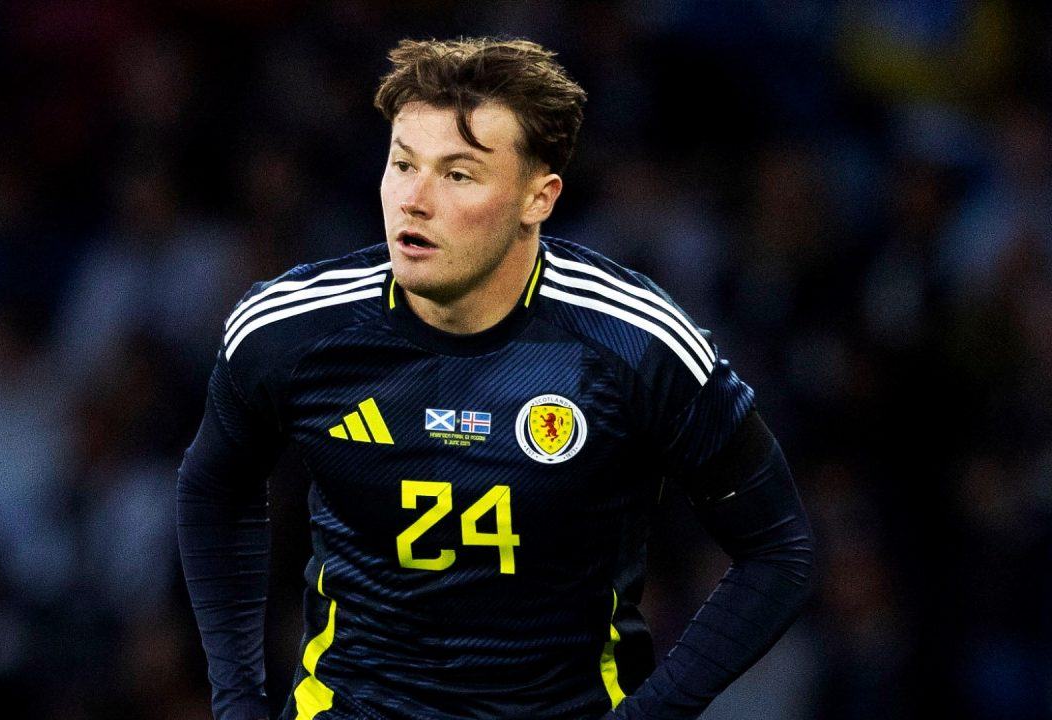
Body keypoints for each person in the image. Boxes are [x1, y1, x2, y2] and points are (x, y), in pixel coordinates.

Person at [177, 37, 814, 720]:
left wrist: (648, 712)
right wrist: (236, 700)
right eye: (402, 164)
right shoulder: (289, 329)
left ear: (538, 198)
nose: (414, 200)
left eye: (458, 175)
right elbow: (215, 487)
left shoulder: (636, 344)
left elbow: (778, 549)